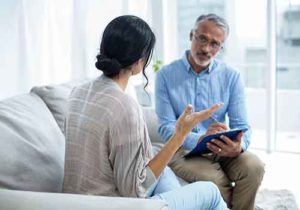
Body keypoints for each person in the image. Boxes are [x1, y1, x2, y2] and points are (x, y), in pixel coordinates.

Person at [62, 15, 227, 210]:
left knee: (164, 172)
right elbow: (134, 191)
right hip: (113, 205)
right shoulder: (124, 107)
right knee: (211, 191)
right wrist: (179, 135)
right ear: (140, 61)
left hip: (74, 203)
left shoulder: (77, 92)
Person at [155, 13, 265, 210]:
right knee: (215, 180)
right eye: (202, 39)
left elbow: (242, 126)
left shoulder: (231, 76)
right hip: (182, 150)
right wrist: (197, 139)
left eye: (214, 44)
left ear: (221, 47)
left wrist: (239, 146)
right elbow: (165, 127)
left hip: (221, 147)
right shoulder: (165, 75)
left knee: (254, 167)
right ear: (191, 35)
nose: (206, 49)